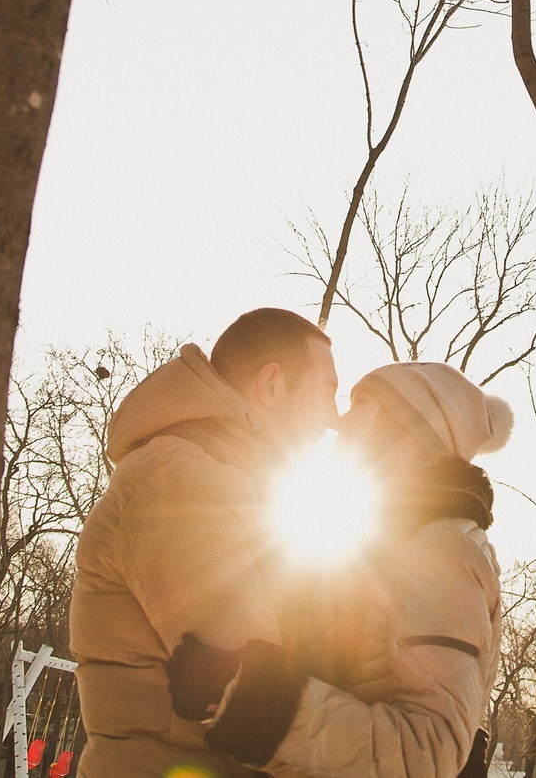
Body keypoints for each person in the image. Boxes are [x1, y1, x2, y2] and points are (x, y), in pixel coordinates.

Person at [167, 361, 513, 778]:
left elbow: (430, 748)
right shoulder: (383, 544)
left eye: (362, 405)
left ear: (406, 433)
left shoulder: (441, 551)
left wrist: (253, 699)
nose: (340, 422)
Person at [69, 307, 339, 778]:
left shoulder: (227, 485)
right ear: (272, 385)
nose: (334, 418)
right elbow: (260, 709)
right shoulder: (179, 482)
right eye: (326, 392)